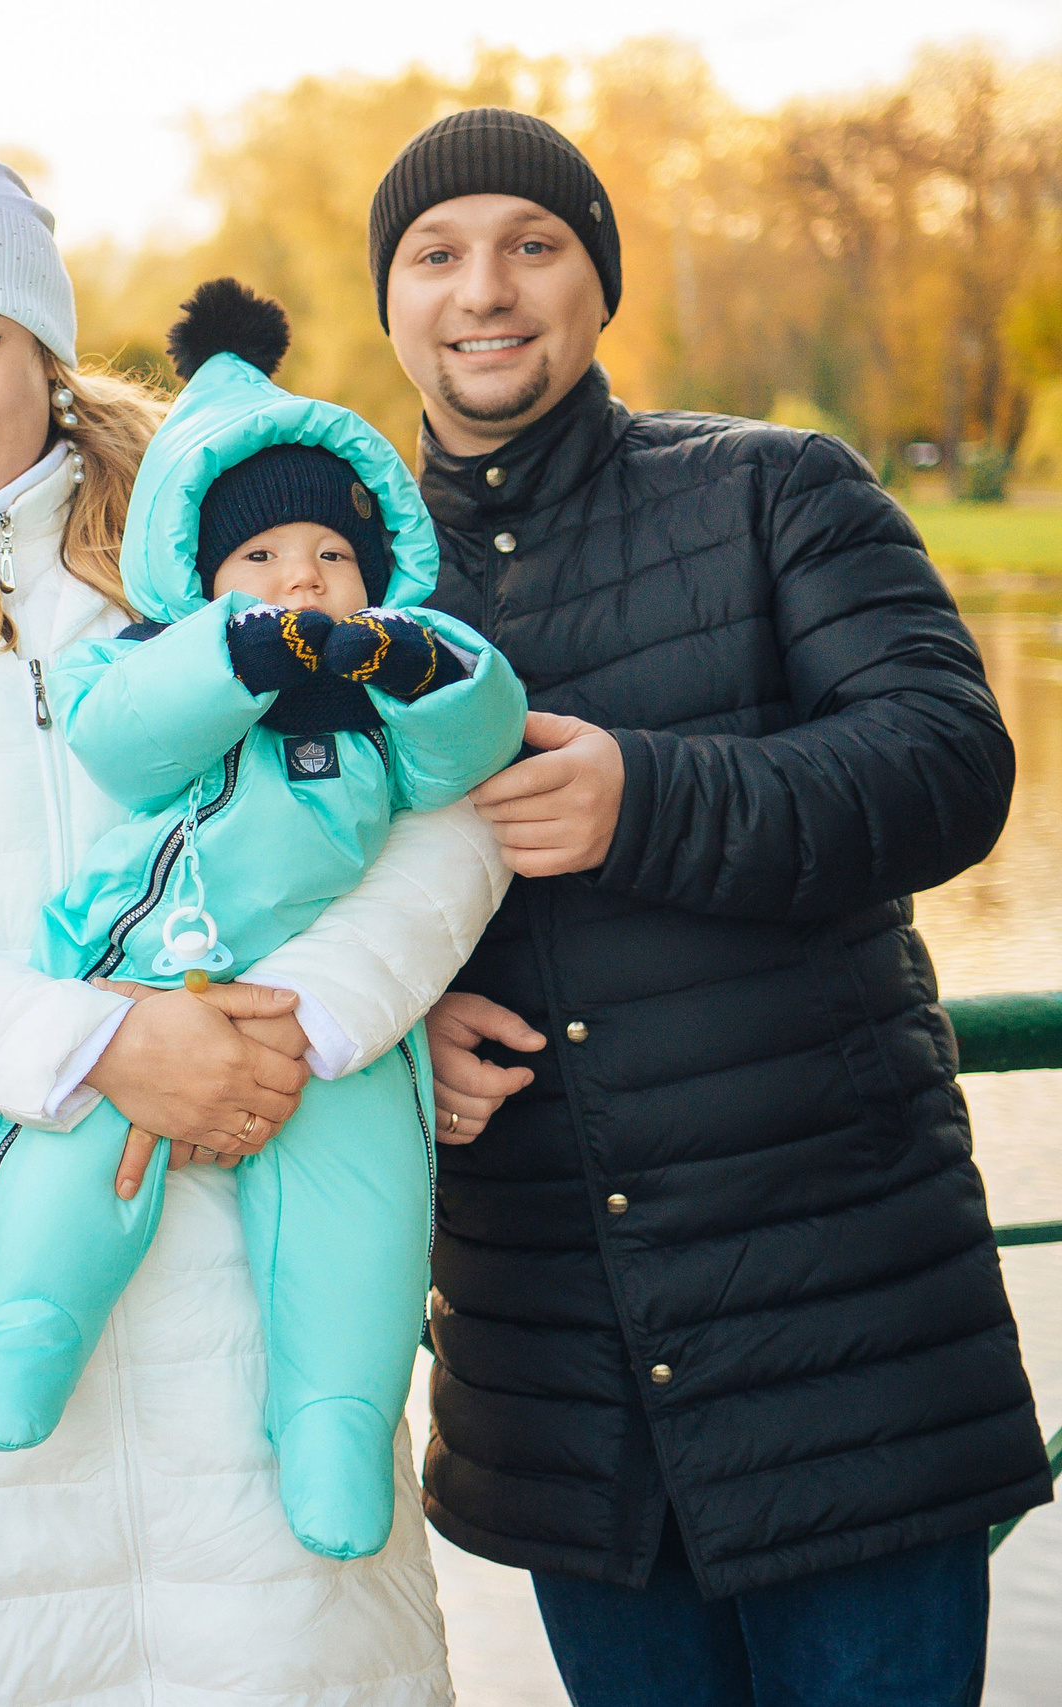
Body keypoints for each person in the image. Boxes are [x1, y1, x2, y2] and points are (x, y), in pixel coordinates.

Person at [0, 145, 502, 1704]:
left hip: (256, 1226)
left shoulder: (233, 535)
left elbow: (446, 798)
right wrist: (98, 1042)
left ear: (43, 335)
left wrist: (320, 1014)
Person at [368, 108, 1049, 1705]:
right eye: (437, 253)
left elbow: (951, 763)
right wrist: (399, 1029)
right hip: (567, 1395)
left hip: (849, 1364)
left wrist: (646, 797)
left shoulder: (773, 489)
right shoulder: (344, 594)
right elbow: (246, 908)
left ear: (597, 283)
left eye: (533, 245)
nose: (487, 288)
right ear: (389, 302)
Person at [0, 279, 526, 1572]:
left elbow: (473, 747)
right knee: (73, 1166)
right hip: (146, 982)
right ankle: (26, 1332)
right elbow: (126, 736)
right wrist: (244, 651)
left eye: (328, 556)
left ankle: (335, 1422)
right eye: (261, 560)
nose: (300, 579)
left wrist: (410, 665)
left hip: (329, 1017)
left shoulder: (391, 680)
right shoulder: (146, 656)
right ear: (202, 575)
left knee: (361, 1221)